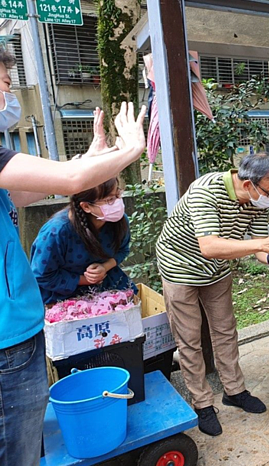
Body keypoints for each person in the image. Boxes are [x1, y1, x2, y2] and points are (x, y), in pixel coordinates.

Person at [0, 51, 146, 466]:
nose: (9, 91)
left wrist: (94, 159)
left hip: (18, 332)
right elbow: (68, 181)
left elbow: (32, 189)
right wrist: (128, 149)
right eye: (6, 82)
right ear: (85, 207)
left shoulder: (115, 221)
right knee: (17, 448)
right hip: (10, 339)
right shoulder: (58, 232)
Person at [155, 153, 269, 437]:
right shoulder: (206, 191)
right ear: (247, 185)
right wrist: (263, 242)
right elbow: (209, 246)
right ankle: (202, 403)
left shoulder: (258, 200)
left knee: (225, 330)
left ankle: (234, 390)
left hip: (217, 271)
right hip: (179, 267)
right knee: (189, 339)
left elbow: (257, 248)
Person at [30, 177, 137, 305]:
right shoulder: (56, 232)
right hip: (63, 298)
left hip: (108, 288)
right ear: (86, 206)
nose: (117, 203)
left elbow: (123, 250)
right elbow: (42, 275)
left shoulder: (119, 220)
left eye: (118, 194)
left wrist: (104, 267)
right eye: (109, 200)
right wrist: (85, 279)